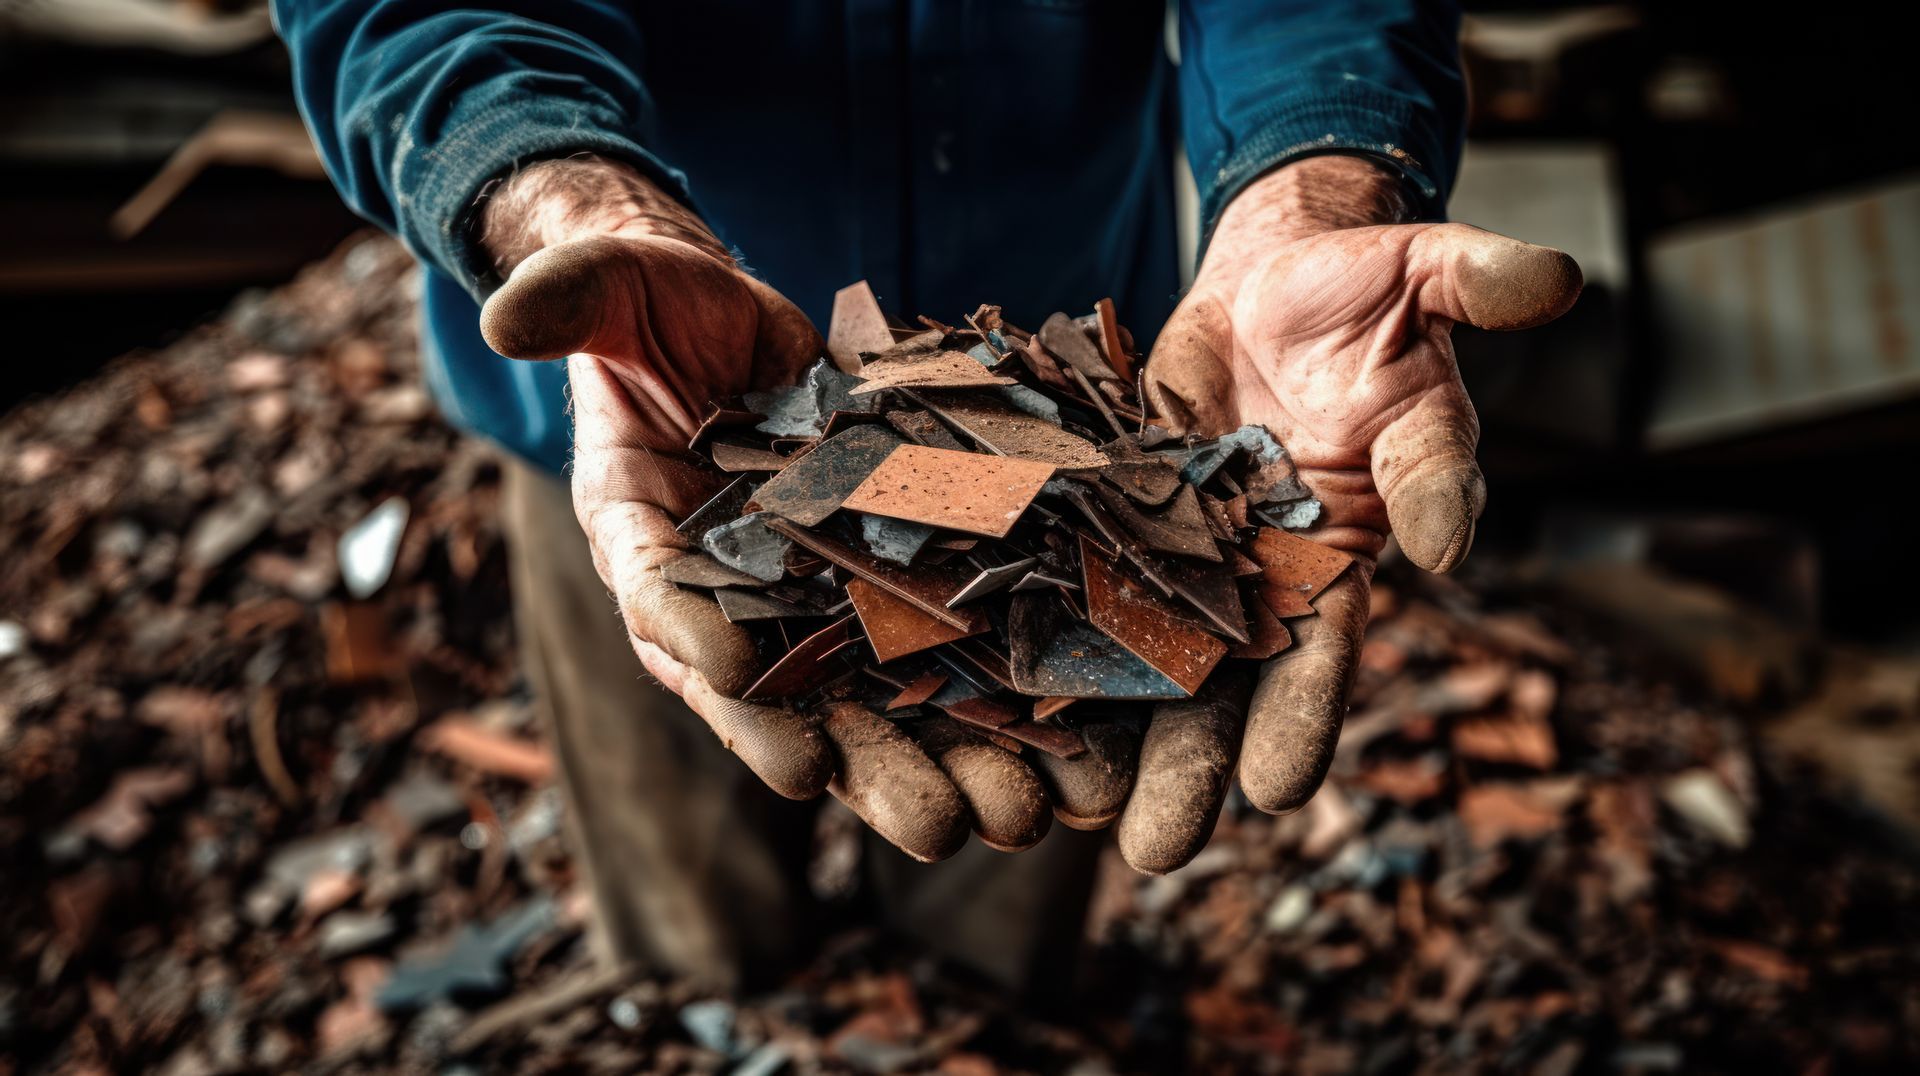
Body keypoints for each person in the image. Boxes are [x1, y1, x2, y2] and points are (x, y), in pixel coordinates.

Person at [273, 0, 1581, 992]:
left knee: (1020, 867)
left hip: (1104, 384)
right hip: (654, 412)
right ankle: (711, 1006)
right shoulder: (656, 409)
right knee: (693, 911)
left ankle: (984, 1016)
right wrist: (559, 193)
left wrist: (1314, 191)